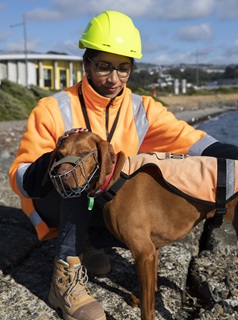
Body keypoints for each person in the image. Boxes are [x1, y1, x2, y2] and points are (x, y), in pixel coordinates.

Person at [9, 10, 238, 320]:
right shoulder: (54, 108)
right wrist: (57, 160)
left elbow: (195, 142)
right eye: (103, 66)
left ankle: (86, 241)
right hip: (53, 203)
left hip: (104, 209)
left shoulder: (142, 109)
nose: (113, 78)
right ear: (86, 63)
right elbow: (19, 177)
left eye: (123, 68)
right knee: (80, 174)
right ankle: (65, 277)